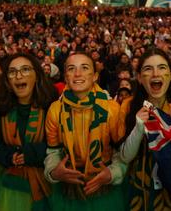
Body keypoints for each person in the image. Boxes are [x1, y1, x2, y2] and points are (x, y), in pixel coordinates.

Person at [43, 52, 127, 210]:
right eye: (71, 69)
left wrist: (112, 173)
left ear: (95, 76)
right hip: (68, 190)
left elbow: (121, 153)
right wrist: (54, 172)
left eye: (84, 68)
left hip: (104, 191)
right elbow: (53, 152)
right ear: (65, 77)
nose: (77, 74)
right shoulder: (55, 110)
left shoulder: (112, 109)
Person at [0, 53, 58, 210]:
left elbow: (60, 145)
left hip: (47, 186)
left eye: (25, 69)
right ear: (8, 82)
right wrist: (11, 156)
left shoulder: (52, 106)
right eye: (12, 72)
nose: (18, 76)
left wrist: (29, 154)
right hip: (8, 188)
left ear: (37, 76)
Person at [119, 48, 171, 211]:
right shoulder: (128, 105)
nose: (156, 74)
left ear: (170, 76)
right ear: (140, 78)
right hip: (140, 189)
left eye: (162, 67)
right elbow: (125, 157)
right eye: (148, 69)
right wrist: (138, 128)